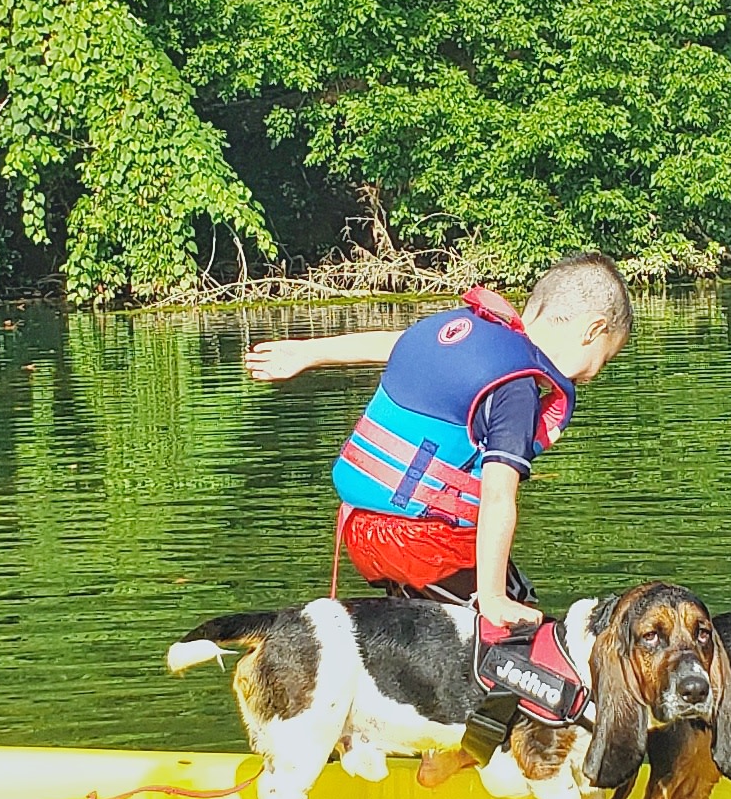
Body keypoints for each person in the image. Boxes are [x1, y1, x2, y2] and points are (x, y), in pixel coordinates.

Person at [244, 254, 631, 634]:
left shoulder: (461, 330)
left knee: (434, 643)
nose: (595, 373)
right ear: (592, 330)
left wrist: (309, 352)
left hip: (361, 531)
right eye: (606, 357)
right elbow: (498, 497)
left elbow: (398, 343)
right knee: (523, 637)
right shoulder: (517, 386)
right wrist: (493, 598)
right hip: (422, 543)